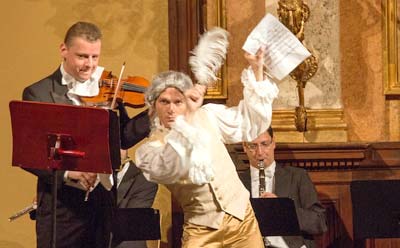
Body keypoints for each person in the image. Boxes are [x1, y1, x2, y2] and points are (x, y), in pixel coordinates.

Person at [22, 21, 150, 248]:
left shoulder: (107, 87)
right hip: (61, 206)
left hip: (103, 201)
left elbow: (123, 137)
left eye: (95, 57)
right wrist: (69, 173)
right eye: (82, 56)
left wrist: (155, 113)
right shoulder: (38, 92)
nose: (89, 65)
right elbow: (29, 154)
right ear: (64, 50)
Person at [135, 46, 279, 247]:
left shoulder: (207, 115)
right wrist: (187, 122)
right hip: (202, 231)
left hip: (242, 220)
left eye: (178, 101)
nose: (171, 109)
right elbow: (174, 165)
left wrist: (257, 70)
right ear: (153, 106)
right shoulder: (152, 150)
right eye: (164, 102)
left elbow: (249, 123)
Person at [240, 126, 328, 248]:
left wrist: (283, 209)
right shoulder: (235, 181)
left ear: (273, 143)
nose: (259, 152)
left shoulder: (297, 176)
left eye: (264, 144)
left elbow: (319, 222)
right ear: (244, 146)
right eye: (253, 146)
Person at [111, 148, 158, 248]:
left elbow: (130, 224)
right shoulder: (89, 174)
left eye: (120, 146)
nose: (115, 151)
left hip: (125, 240)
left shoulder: (145, 180)